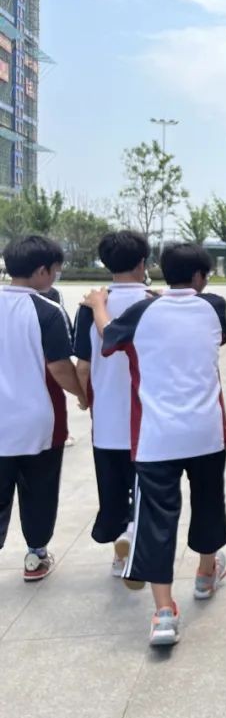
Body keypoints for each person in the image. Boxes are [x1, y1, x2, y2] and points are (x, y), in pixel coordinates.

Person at [82, 243, 226, 647]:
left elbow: (108, 337)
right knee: (209, 502)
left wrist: (98, 305)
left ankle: (164, 613)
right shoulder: (214, 307)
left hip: (157, 437)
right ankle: (205, 575)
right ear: (199, 277)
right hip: (207, 431)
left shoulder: (142, 312)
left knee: (156, 519)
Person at [0, 235, 86, 582]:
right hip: (38, 422)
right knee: (39, 489)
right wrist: (83, 395)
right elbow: (60, 368)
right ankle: (35, 556)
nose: (55, 276)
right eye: (54, 270)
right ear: (41, 271)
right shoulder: (48, 311)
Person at [72, 231, 154, 580]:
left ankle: (120, 549)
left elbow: (83, 366)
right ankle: (136, 540)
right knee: (148, 490)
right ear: (142, 263)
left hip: (106, 417)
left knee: (113, 489)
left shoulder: (91, 306)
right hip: (147, 417)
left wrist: (84, 397)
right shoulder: (153, 302)